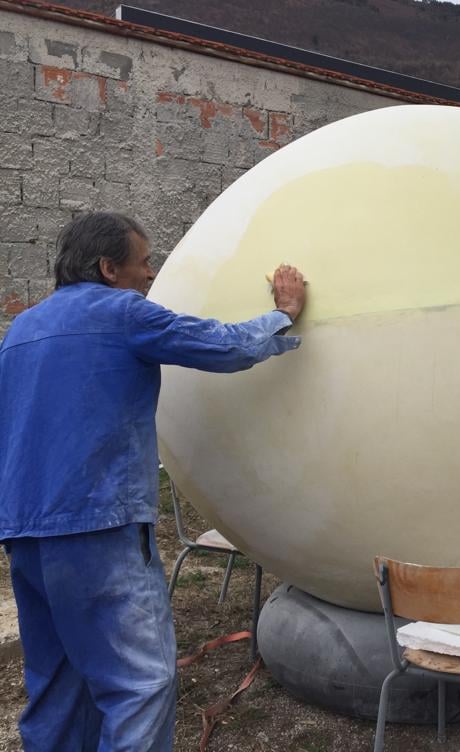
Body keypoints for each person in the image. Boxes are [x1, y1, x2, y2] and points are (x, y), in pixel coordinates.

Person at [0, 212, 307, 751]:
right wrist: (281, 315)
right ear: (108, 268)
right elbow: (222, 345)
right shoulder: (122, 312)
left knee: (58, 684)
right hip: (99, 524)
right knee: (138, 684)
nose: (150, 274)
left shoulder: (22, 330)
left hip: (24, 531)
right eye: (144, 262)